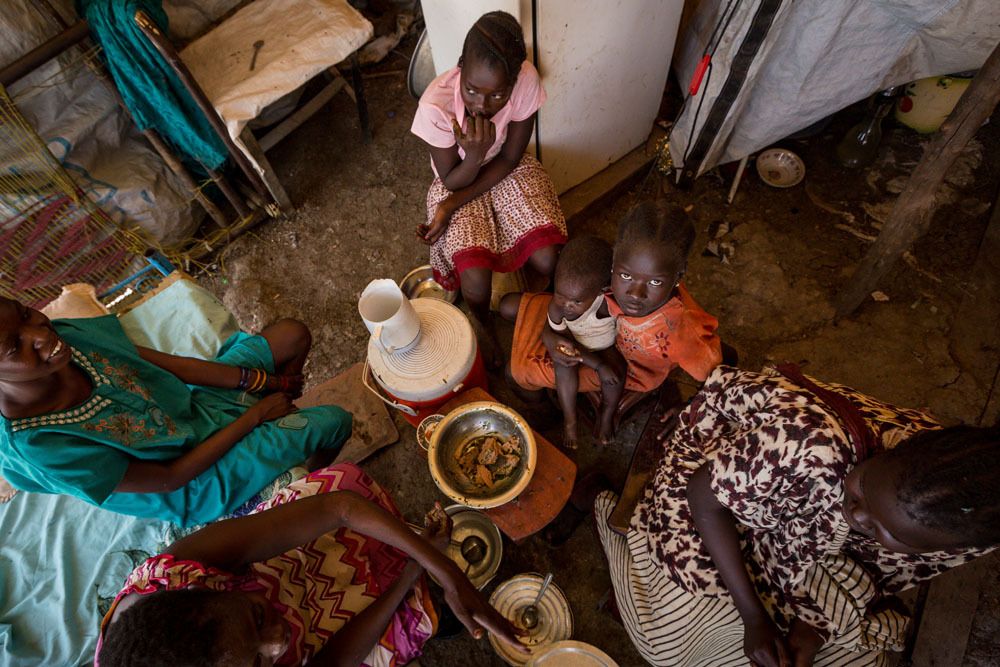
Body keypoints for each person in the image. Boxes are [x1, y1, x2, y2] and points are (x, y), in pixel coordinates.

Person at [594, 364, 1000, 667]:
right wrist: (753, 617)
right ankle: (609, 518)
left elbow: (878, 571)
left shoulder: (958, 526)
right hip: (716, 473)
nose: (855, 513)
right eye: (863, 486)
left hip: (787, 527)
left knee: (853, 659)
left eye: (882, 529)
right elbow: (704, 497)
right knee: (665, 646)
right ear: (892, 452)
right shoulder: (809, 445)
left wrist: (812, 632)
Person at [96, 462, 527, 666]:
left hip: (256, 580)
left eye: (258, 618)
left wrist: (443, 571)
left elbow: (338, 508)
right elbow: (334, 662)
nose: (278, 642)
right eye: (261, 664)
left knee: (345, 486)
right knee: (402, 625)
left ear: (198, 589)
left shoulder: (173, 575)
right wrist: (411, 572)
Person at [0, 297, 350, 526]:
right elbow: (171, 477)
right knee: (334, 421)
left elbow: (177, 368)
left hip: (195, 412)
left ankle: (286, 449)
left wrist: (264, 382)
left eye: (26, 314)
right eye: (16, 346)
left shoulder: (65, 338)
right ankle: (306, 494)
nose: (41, 334)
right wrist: (255, 417)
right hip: (195, 486)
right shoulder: (41, 445)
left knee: (291, 335)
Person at [410, 10, 567, 360]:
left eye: (497, 96)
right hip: (457, 180)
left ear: (513, 82)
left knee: (548, 256)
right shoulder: (435, 106)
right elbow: (451, 180)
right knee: (475, 281)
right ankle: (484, 323)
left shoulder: (525, 80)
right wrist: (474, 157)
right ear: (461, 66)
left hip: (504, 169)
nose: (481, 106)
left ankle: (547, 311)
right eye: (471, 90)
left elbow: (511, 157)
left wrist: (455, 200)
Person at [506, 201, 722, 422]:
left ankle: (549, 412)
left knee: (515, 373)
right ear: (614, 259)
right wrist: (551, 338)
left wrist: (691, 409)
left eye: (656, 282)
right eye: (626, 276)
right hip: (590, 328)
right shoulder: (611, 276)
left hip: (626, 369)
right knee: (515, 308)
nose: (635, 294)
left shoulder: (681, 330)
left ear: (679, 275)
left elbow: (720, 371)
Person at [508, 236, 624, 449]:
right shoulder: (556, 307)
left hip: (605, 346)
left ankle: (607, 414)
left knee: (616, 375)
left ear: (601, 290)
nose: (567, 306)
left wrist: (603, 364)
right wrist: (596, 364)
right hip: (572, 342)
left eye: (577, 301)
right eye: (561, 295)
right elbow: (558, 337)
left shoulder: (608, 304)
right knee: (563, 365)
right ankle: (570, 420)